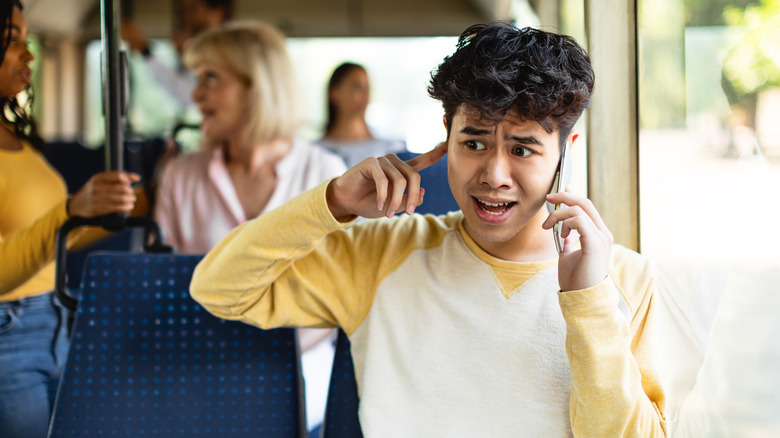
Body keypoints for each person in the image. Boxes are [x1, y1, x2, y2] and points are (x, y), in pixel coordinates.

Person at [190, 22, 669, 436]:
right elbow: (219, 288)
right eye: (474, 142)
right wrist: (331, 203)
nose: (494, 174)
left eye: (522, 150)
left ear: (567, 151)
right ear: (447, 134)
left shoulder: (619, 281)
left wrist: (589, 304)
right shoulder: (380, 254)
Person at [152, 21, 347, 433]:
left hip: (304, 367)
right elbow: (164, 284)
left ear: (256, 88)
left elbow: (338, 288)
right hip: (199, 364)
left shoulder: (324, 173)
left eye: (211, 78)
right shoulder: (179, 176)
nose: (195, 95)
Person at [0, 2, 139, 437]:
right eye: (13, 38)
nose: (29, 54)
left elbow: (49, 239)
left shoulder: (16, 137)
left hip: (54, 320)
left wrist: (117, 209)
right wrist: (72, 209)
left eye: (27, 38)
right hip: (8, 331)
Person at [121, 0, 233, 107]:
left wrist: (145, 51)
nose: (186, 17)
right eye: (184, 11)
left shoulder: (232, 49)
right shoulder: (205, 48)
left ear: (218, 11)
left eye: (192, 9)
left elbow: (187, 94)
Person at [316, 62, 406, 167]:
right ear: (334, 92)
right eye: (357, 86)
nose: (365, 93)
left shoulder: (392, 150)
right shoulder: (314, 151)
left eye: (367, 88)